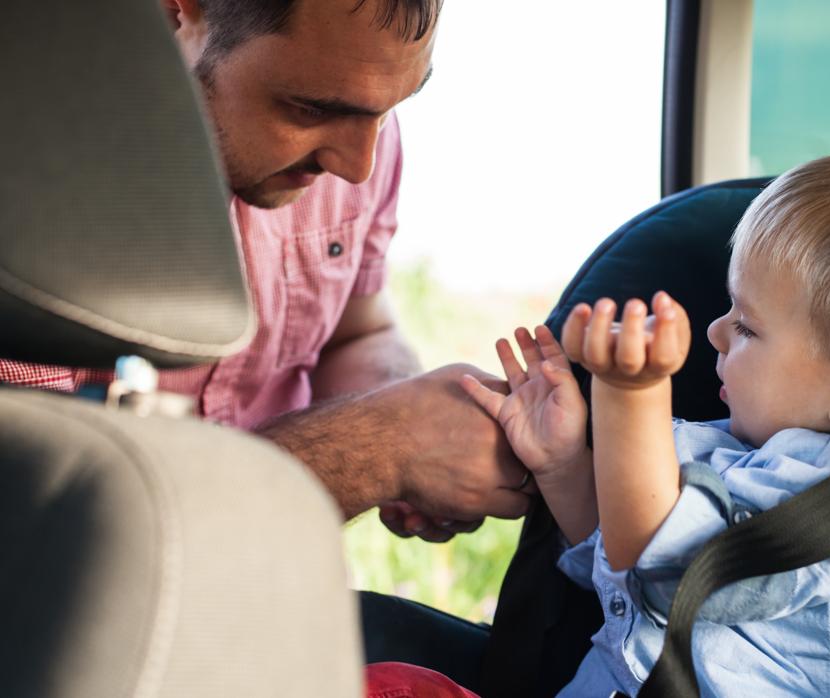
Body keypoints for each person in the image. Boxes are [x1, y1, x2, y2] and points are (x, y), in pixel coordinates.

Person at [454, 147, 830, 695]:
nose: (715, 331)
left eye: (746, 326)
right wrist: (562, 463)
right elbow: (621, 553)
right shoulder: (747, 453)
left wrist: (629, 392)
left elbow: (663, 563)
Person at [0, 0, 533, 540]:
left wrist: (412, 415)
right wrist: (376, 445)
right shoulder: (30, 192)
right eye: (311, 109)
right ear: (174, 15)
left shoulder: (356, 136)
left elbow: (358, 331)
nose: (358, 167)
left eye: (390, 108)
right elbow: (50, 528)